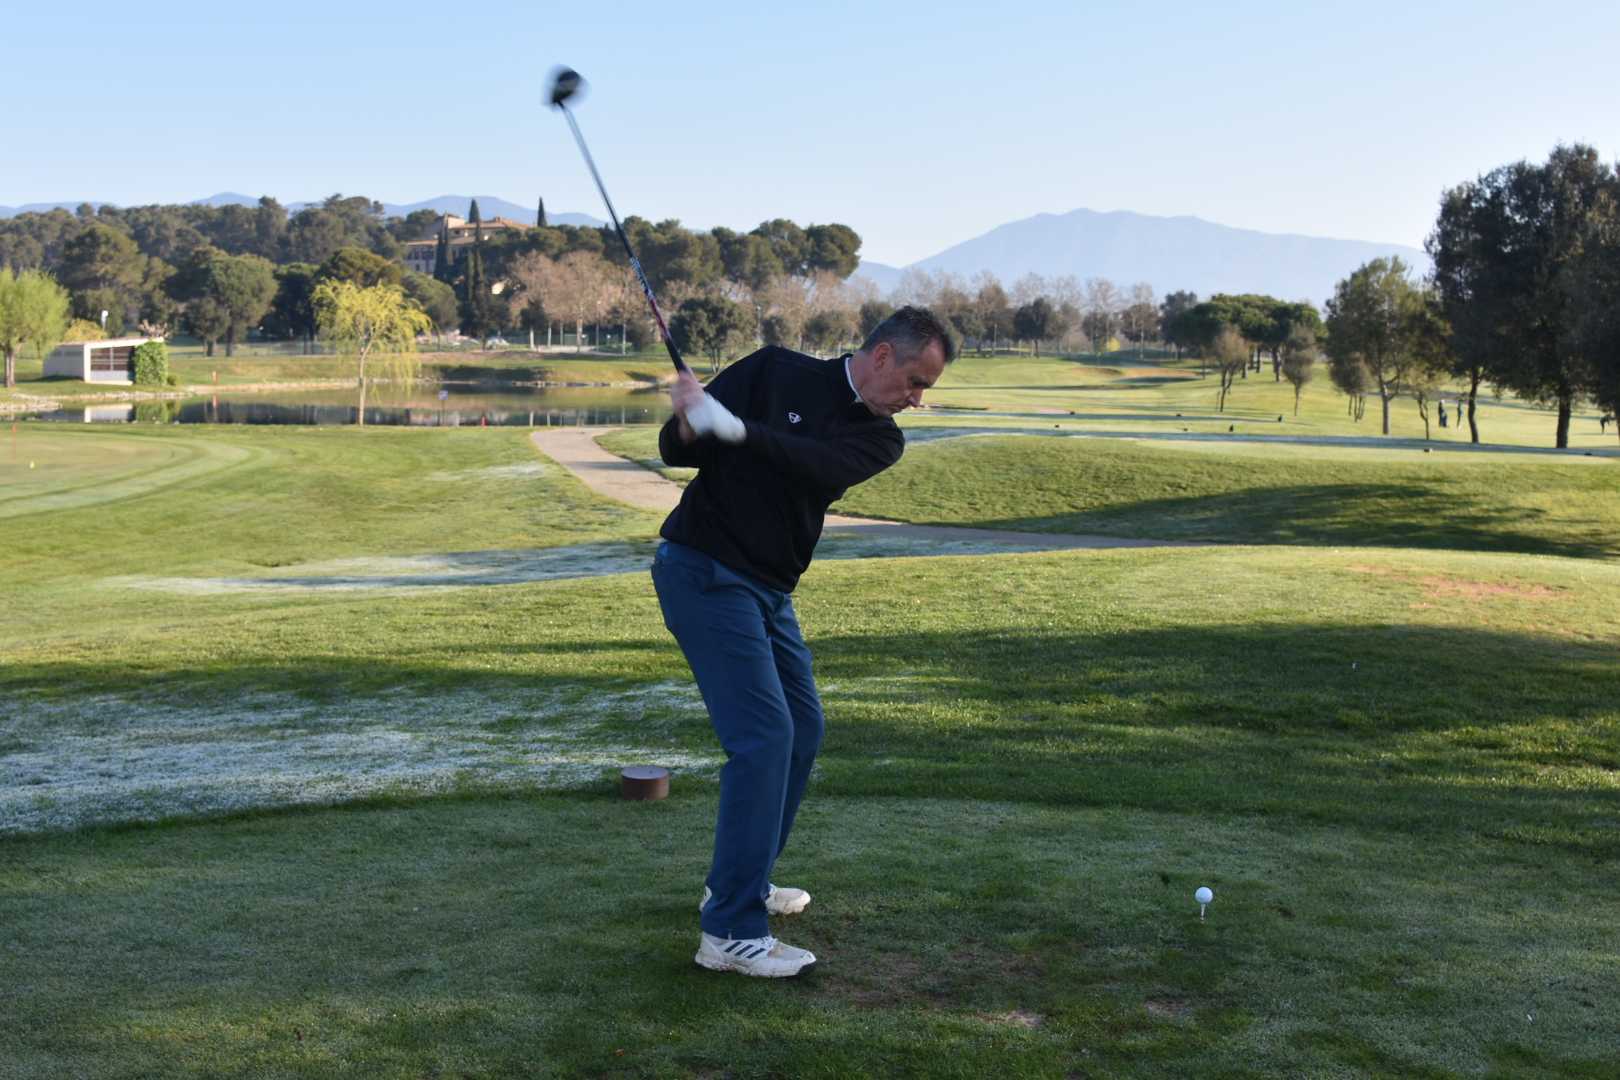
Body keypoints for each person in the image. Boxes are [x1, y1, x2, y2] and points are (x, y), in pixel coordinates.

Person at [650, 306, 954, 978]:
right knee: (764, 738)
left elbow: (811, 465)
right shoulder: (772, 370)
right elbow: (677, 451)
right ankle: (730, 932)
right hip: (704, 571)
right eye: (914, 381)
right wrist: (692, 416)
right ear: (882, 354)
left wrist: (736, 429)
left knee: (802, 730)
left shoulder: (879, 439)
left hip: (768, 589)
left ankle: (742, 880)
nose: (916, 398)